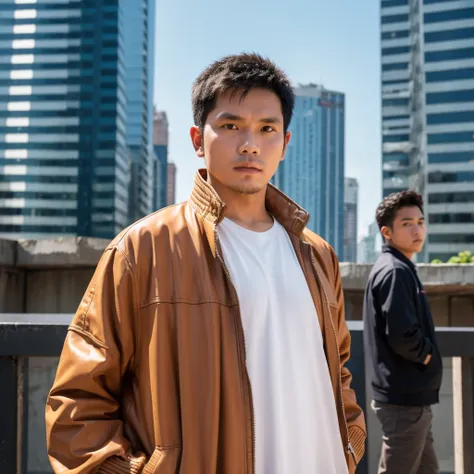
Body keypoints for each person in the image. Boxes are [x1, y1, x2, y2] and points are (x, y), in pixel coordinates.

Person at [46, 53, 366, 474]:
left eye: (266, 128)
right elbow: (77, 404)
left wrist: (350, 443)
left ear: (285, 144)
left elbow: (337, 371)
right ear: (198, 139)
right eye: (231, 125)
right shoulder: (144, 249)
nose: (250, 143)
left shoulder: (317, 255)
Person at [363, 190, 443, 474]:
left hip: (411, 398)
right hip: (404, 399)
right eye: (407, 223)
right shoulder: (395, 271)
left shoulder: (400, 267)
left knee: (426, 469)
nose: (417, 229)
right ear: (387, 232)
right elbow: (402, 335)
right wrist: (428, 357)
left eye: (420, 222)